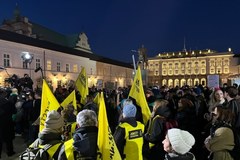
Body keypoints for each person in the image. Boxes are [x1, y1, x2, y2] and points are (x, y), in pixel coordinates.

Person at [0, 88, 16, 158]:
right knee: (8, 139)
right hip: (7, 122)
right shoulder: (9, 102)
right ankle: (10, 152)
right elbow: (14, 111)